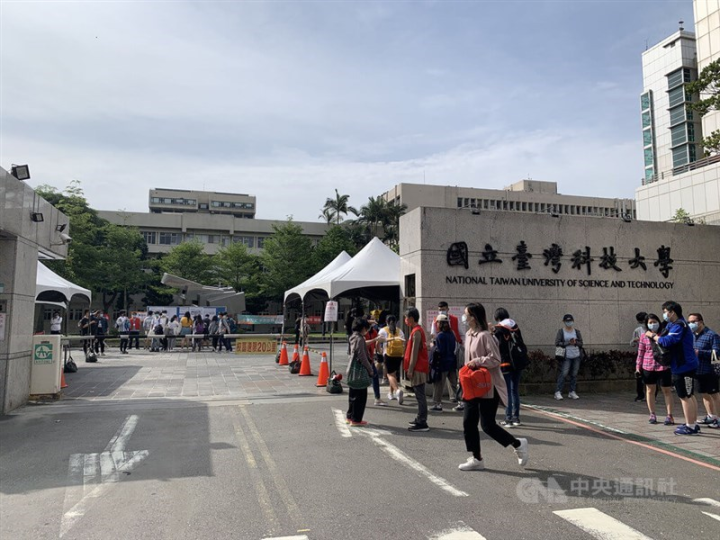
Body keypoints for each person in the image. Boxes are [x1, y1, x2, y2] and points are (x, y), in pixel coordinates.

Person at [458, 303, 528, 471]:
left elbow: (495, 359)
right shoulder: (469, 334)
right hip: (472, 385)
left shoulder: (485, 336)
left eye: (466, 314)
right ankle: (477, 458)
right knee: (468, 422)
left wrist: (477, 361)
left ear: (473, 317)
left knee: (487, 426)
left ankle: (518, 444)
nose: (464, 317)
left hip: (488, 386)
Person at [650, 301, 700, 435]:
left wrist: (654, 336)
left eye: (666, 311)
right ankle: (693, 423)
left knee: (685, 396)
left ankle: (690, 426)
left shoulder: (679, 325)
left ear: (673, 312)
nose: (664, 314)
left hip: (683, 365)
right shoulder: (674, 324)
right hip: (684, 364)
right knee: (689, 395)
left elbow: (667, 341)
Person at [635, 313, 674, 425]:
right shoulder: (643, 336)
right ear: (647, 324)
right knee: (650, 390)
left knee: (667, 390)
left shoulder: (665, 334)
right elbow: (641, 352)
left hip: (663, 366)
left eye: (654, 322)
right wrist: (638, 367)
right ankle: (652, 414)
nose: (653, 324)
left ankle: (669, 415)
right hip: (648, 366)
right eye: (650, 323)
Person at [493, 308, 527, 427]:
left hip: (506, 363)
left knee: (506, 391)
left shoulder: (498, 329)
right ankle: (516, 417)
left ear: (497, 317)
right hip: (518, 362)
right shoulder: (515, 326)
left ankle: (508, 419)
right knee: (514, 391)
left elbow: (496, 346)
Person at [688, 313, 720, 429]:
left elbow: (716, 353)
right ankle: (711, 415)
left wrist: (699, 353)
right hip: (697, 370)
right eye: (689, 322)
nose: (691, 324)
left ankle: (719, 418)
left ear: (701, 321)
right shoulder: (691, 335)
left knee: (714, 394)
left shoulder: (712, 335)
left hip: (710, 370)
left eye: (693, 321)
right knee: (704, 394)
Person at [404, 307, 430, 432]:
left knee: (420, 396)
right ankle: (420, 418)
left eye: (406, 317)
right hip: (418, 367)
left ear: (412, 318)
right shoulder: (415, 331)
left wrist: (410, 369)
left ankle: (422, 422)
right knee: (420, 395)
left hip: (418, 368)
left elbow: (414, 353)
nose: (405, 320)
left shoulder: (417, 332)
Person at [346, 317, 374, 426]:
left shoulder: (352, 337)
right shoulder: (360, 339)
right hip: (360, 372)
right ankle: (356, 419)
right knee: (360, 396)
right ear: (362, 328)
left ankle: (350, 416)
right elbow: (362, 356)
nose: (366, 331)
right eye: (366, 328)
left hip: (352, 370)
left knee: (352, 395)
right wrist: (370, 370)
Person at [430, 314, 458, 412]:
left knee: (438, 385)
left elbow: (439, 350)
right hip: (452, 362)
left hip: (442, 364)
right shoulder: (452, 333)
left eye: (437, 322)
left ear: (440, 323)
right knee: (454, 384)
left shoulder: (440, 336)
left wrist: (432, 346)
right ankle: (460, 402)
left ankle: (437, 404)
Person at [554, 314, 583, 400]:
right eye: (567, 321)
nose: (569, 323)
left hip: (576, 355)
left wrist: (575, 342)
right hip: (566, 356)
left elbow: (581, 343)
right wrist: (568, 343)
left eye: (570, 321)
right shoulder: (561, 331)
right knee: (564, 373)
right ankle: (558, 391)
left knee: (574, 374)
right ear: (564, 322)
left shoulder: (576, 332)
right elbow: (557, 343)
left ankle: (572, 391)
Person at [379, 315, 405, 404]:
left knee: (389, 375)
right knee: (393, 374)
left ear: (386, 321)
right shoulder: (399, 331)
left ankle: (397, 391)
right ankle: (391, 393)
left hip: (388, 354)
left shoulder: (383, 330)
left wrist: (379, 351)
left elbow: (378, 341)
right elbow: (403, 342)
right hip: (398, 355)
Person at [365, 318, 386, 406]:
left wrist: (379, 351)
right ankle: (358, 399)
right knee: (362, 379)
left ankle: (377, 398)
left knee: (375, 376)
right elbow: (364, 343)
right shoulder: (362, 332)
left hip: (370, 358)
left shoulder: (373, 332)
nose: (373, 322)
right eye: (370, 320)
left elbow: (377, 342)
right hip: (362, 359)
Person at [631, 311, 648, 402]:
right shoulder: (638, 330)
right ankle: (640, 395)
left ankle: (652, 395)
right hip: (641, 354)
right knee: (639, 376)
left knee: (652, 377)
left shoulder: (653, 330)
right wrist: (635, 340)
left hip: (652, 355)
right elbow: (632, 343)